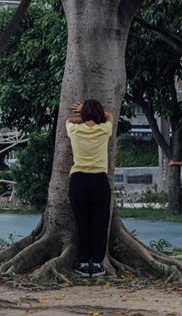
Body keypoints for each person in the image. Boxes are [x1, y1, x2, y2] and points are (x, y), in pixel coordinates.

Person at [66, 99, 114, 278]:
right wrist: (92, 113)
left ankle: (84, 264)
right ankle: (98, 264)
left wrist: (82, 114)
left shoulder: (75, 130)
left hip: (78, 180)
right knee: (99, 224)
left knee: (81, 223)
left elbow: (69, 121)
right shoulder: (103, 131)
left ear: (84, 114)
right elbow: (109, 116)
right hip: (99, 181)